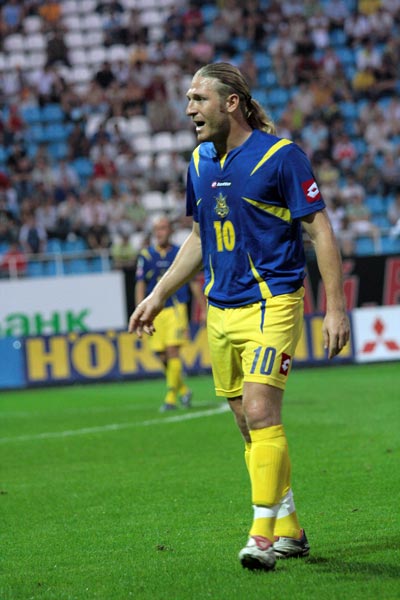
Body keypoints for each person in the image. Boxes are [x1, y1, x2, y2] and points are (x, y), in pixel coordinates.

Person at [129, 63, 350, 571]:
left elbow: (320, 230)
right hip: (220, 309)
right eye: (189, 99)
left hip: (273, 303)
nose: (189, 109)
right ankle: (290, 528)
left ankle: (261, 536)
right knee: (247, 425)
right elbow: (199, 236)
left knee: (260, 411)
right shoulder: (199, 161)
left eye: (198, 99)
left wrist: (335, 308)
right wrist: (160, 293)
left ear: (231, 103)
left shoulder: (281, 157)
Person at [135, 216, 205, 412]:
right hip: (156, 311)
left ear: (170, 230)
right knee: (161, 355)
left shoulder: (180, 253)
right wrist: (140, 309)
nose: (160, 232)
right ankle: (184, 390)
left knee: (173, 350)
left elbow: (193, 283)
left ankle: (170, 398)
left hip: (176, 307)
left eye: (164, 228)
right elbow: (140, 284)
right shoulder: (146, 256)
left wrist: (203, 308)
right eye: (157, 229)